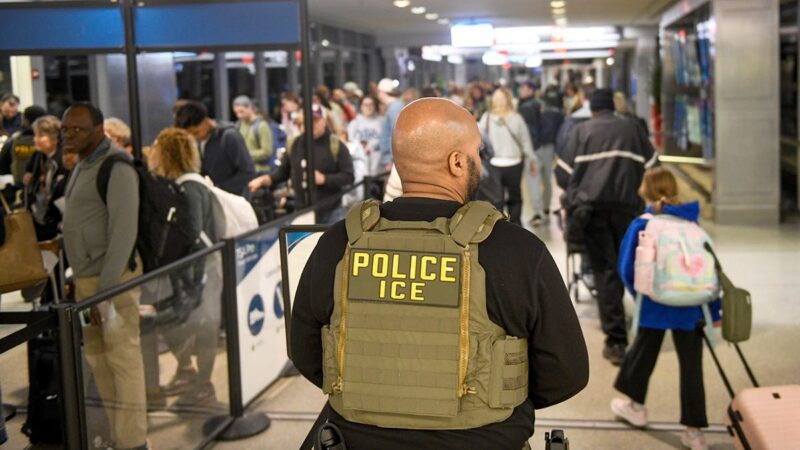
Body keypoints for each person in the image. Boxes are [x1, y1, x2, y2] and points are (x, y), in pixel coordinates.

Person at [291, 98, 589, 450]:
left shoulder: (339, 242)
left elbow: (305, 352)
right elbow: (566, 373)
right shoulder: (518, 250)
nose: (480, 161)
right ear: (457, 162)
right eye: (477, 152)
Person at [611, 167, 720, 450]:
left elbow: (626, 269)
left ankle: (636, 407)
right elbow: (710, 269)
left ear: (645, 190)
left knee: (643, 355)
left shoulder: (643, 224)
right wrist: (714, 310)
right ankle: (694, 432)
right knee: (692, 366)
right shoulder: (692, 224)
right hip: (691, 306)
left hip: (655, 305)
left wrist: (643, 295)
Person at [61, 102, 148, 450]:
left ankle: (133, 441)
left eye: (77, 129)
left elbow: (123, 234)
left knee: (122, 360)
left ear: (98, 130)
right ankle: (118, 436)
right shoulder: (83, 163)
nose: (69, 135)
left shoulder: (116, 166)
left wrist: (105, 292)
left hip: (112, 283)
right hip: (87, 283)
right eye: (65, 129)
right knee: (99, 360)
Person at [558, 88, 657, 365]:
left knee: (605, 272)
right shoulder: (633, 129)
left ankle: (616, 341)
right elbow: (653, 166)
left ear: (592, 109)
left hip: (592, 214)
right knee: (634, 268)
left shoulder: (581, 131)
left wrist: (578, 192)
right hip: (628, 212)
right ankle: (647, 329)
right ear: (613, 106)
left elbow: (561, 174)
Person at [147, 128, 223, 406]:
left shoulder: (188, 187)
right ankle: (188, 372)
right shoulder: (184, 183)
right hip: (194, 270)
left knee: (201, 325)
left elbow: (193, 233)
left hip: (199, 271)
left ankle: (203, 383)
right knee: (179, 323)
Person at [248, 104, 354, 224]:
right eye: (306, 121)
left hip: (330, 211)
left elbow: (349, 176)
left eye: (315, 120)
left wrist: (324, 179)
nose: (311, 124)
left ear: (323, 121)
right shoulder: (294, 144)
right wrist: (265, 180)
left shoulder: (336, 145)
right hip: (302, 211)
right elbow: (282, 172)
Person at [479, 87, 537, 226]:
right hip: (514, 164)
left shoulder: (486, 118)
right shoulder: (517, 118)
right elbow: (525, 142)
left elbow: (479, 140)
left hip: (493, 164)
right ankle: (515, 225)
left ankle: (497, 226)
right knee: (515, 197)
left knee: (495, 198)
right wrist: (532, 161)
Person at [174, 100, 256, 196]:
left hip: (233, 199)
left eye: (196, 133)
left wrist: (219, 189)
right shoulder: (201, 141)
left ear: (205, 122)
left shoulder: (229, 136)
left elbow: (248, 172)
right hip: (215, 197)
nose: (195, 138)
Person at [22, 115, 68, 241]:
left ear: (55, 138)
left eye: (41, 136)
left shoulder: (63, 160)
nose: (35, 139)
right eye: (35, 135)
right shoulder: (38, 155)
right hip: (39, 215)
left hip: (56, 219)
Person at [530, 90, 565, 227]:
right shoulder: (559, 115)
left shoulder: (533, 111)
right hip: (549, 147)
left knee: (534, 180)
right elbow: (561, 133)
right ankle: (546, 208)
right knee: (547, 179)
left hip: (535, 147)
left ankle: (537, 211)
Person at [0, 105, 47, 202]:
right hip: (44, 191)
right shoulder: (52, 142)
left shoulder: (14, 141)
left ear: (26, 120)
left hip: (18, 189)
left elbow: (2, 166)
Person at [517, 81, 547, 226]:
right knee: (537, 180)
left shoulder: (526, 107)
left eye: (523, 88)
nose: (521, 90)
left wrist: (529, 149)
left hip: (530, 149)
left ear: (531, 90)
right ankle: (539, 211)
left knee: (533, 181)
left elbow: (529, 131)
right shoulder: (539, 104)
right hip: (539, 147)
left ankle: (537, 213)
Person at [232, 95, 274, 173]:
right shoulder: (239, 125)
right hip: (244, 170)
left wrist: (245, 154)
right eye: (236, 113)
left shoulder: (262, 126)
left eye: (241, 111)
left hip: (259, 170)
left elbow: (267, 152)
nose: (239, 115)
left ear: (249, 107)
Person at [347, 95, 383, 176]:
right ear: (361, 107)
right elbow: (350, 141)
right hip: (361, 164)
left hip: (378, 164)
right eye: (365, 105)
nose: (368, 107)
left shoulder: (381, 121)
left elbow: (385, 140)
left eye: (371, 104)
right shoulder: (354, 123)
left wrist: (372, 146)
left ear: (375, 106)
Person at [377, 78, 404, 166]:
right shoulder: (396, 106)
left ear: (381, 92)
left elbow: (396, 136)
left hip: (392, 160)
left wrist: (391, 159)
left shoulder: (394, 108)